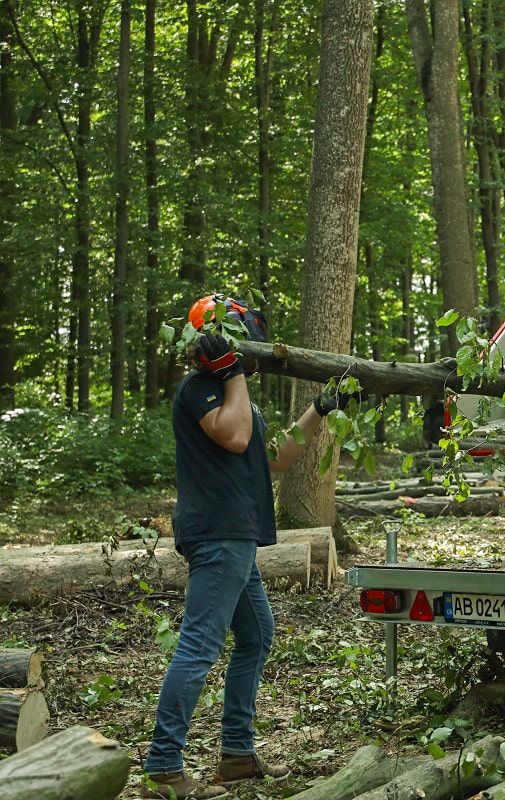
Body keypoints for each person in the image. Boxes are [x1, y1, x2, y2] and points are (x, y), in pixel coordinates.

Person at [143, 295, 354, 799]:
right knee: (199, 645)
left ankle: (237, 755)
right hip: (217, 534)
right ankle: (163, 769)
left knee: (257, 635)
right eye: (239, 346)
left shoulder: (236, 396)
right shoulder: (200, 389)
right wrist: (232, 372)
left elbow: (275, 457)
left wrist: (320, 408)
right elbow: (235, 439)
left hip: (235, 535)